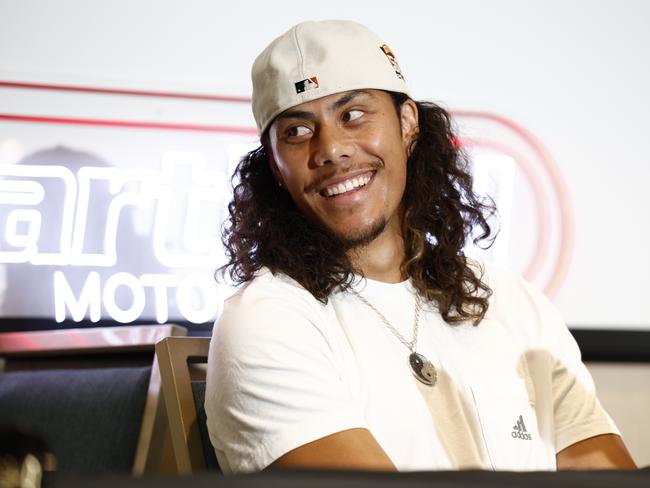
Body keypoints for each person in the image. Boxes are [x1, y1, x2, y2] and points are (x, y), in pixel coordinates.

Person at [204, 20, 636, 474]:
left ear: (408, 124)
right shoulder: (269, 320)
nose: (330, 149)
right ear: (273, 164)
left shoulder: (514, 303)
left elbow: (602, 472)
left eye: (352, 114)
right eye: (297, 131)